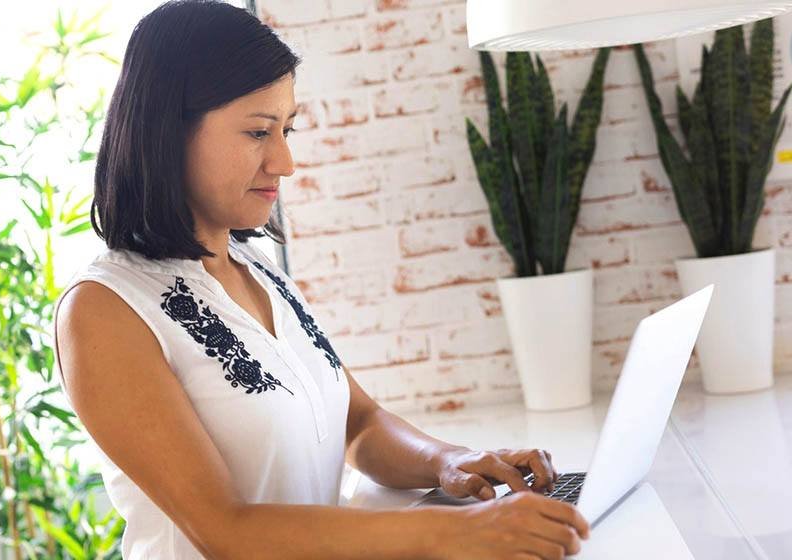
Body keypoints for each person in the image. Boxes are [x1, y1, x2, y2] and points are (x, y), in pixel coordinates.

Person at [52, 1, 590, 558]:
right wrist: (465, 531)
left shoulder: (258, 270)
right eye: (259, 132)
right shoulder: (104, 310)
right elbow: (226, 531)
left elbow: (358, 423)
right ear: (168, 131)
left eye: (287, 128)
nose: (285, 161)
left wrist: (448, 461)